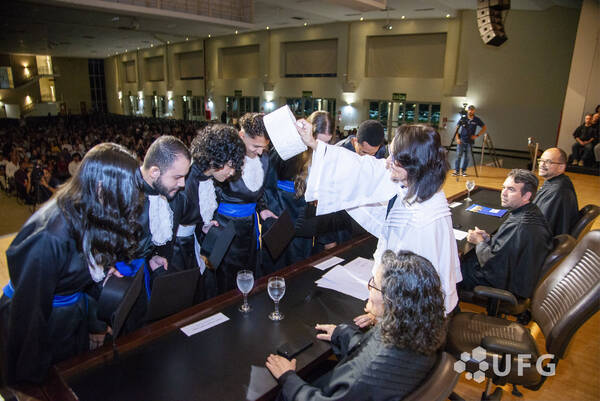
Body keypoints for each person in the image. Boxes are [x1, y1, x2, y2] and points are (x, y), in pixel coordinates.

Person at [0, 143, 144, 385]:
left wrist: (96, 321)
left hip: (69, 316)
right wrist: (32, 381)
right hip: (37, 325)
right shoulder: (51, 235)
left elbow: (84, 274)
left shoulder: (88, 209)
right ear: (101, 187)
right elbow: (29, 314)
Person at [297, 123, 461, 315]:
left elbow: (413, 294)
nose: (387, 161)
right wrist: (314, 143)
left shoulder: (423, 221)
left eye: (394, 157)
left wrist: (381, 314)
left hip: (409, 314)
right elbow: (363, 168)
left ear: (413, 163)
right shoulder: (417, 183)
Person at [265, 250, 446, 401]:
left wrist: (287, 377)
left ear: (391, 300)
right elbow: (369, 349)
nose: (369, 288)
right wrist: (342, 333)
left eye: (373, 284)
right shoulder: (420, 329)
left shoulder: (368, 370)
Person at [173, 124, 246, 301]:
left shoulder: (208, 178)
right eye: (230, 165)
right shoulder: (185, 179)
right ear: (215, 158)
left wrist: (203, 226)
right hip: (177, 250)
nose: (232, 172)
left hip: (192, 245)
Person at [459, 169, 552, 299]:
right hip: (518, 273)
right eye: (504, 187)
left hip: (506, 283)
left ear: (526, 196)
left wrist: (479, 242)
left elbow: (494, 265)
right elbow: (510, 246)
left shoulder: (520, 225)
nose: (503, 193)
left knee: (452, 269)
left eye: (511, 189)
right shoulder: (531, 211)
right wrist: (489, 239)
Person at [210, 113, 276, 293]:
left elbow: (259, 191)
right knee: (227, 280)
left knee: (250, 272)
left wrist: (262, 209)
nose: (260, 151)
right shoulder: (225, 157)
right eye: (256, 146)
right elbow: (211, 193)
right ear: (241, 136)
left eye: (264, 146)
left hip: (250, 226)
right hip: (225, 226)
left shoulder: (264, 157)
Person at [262, 111, 334, 274]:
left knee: (299, 269)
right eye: (318, 141)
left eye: (327, 143)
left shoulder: (328, 155)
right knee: (277, 269)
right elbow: (268, 186)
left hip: (306, 223)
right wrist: (276, 215)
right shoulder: (289, 147)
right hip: (281, 216)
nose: (321, 147)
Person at [533, 148, 579, 236]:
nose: (542, 164)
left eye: (548, 162)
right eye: (541, 160)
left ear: (561, 167)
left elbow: (539, 225)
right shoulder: (560, 181)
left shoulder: (556, 192)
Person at [453, 105, 486, 177]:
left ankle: (464, 171)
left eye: (472, 110)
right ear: (468, 110)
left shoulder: (477, 119)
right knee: (458, 155)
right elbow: (457, 128)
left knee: (467, 157)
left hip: (470, 141)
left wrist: (477, 135)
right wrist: (457, 138)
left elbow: (484, 127)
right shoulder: (463, 118)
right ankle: (456, 171)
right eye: (469, 110)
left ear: (474, 111)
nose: (471, 111)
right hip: (461, 140)